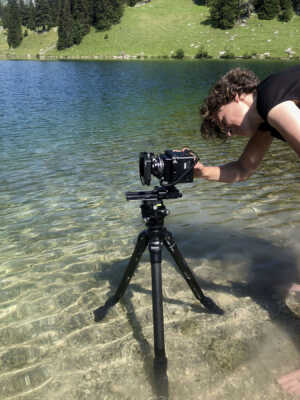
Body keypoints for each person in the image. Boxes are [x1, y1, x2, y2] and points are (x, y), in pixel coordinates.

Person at [196, 65, 300, 397]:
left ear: (237, 95)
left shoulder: (270, 99)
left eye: (221, 119)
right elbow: (243, 168)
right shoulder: (268, 117)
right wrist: (198, 172)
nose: (226, 132)